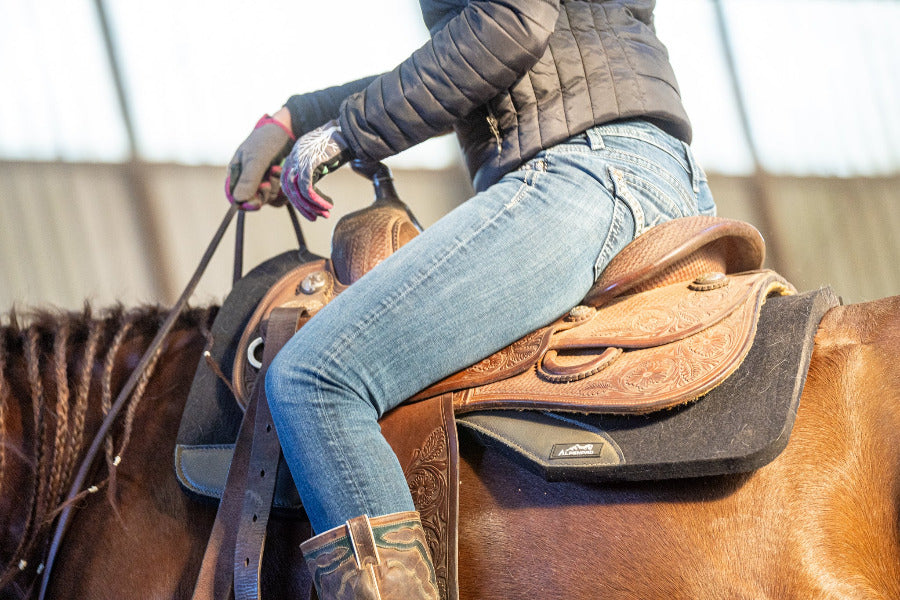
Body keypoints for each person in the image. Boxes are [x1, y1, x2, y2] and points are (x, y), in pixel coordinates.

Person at [226, 1, 716, 597]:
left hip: (585, 174)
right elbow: (476, 51)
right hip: (652, 171)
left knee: (314, 379)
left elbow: (509, 21)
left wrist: (345, 133)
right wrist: (300, 119)